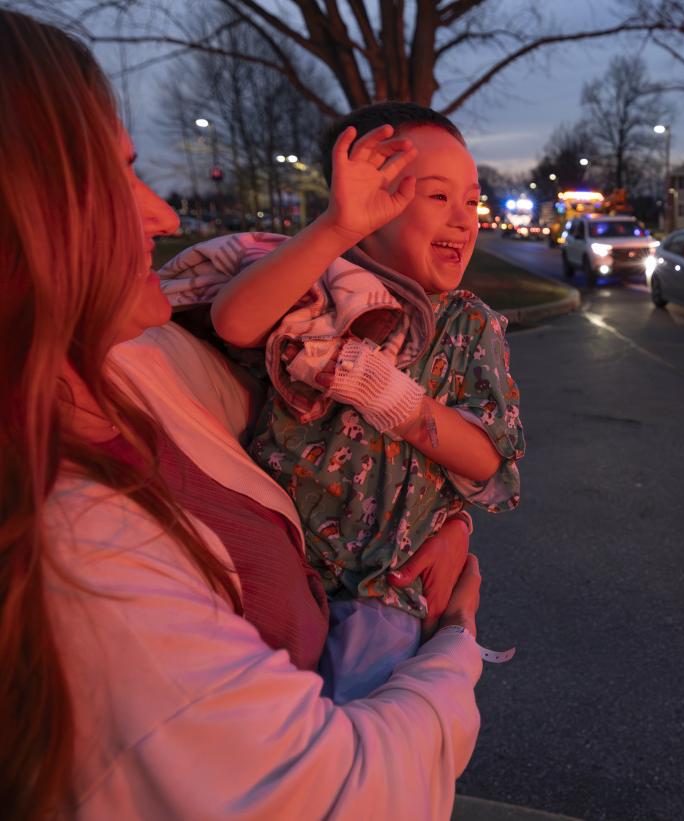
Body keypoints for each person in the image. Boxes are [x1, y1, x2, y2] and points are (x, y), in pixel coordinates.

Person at [0, 10, 482, 819]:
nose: (160, 214)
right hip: (382, 677)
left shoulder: (126, 366)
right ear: (28, 219)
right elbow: (344, 794)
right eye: (116, 174)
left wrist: (450, 515)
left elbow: (482, 453)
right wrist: (456, 636)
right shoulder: (73, 552)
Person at [166, 103, 524, 694]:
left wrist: (389, 396)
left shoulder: (470, 326)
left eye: (472, 199)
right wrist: (337, 226)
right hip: (273, 567)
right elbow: (234, 321)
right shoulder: (319, 284)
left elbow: (491, 461)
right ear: (370, 204)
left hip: (385, 586)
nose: (464, 219)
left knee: (355, 740)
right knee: (259, 734)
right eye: (437, 197)